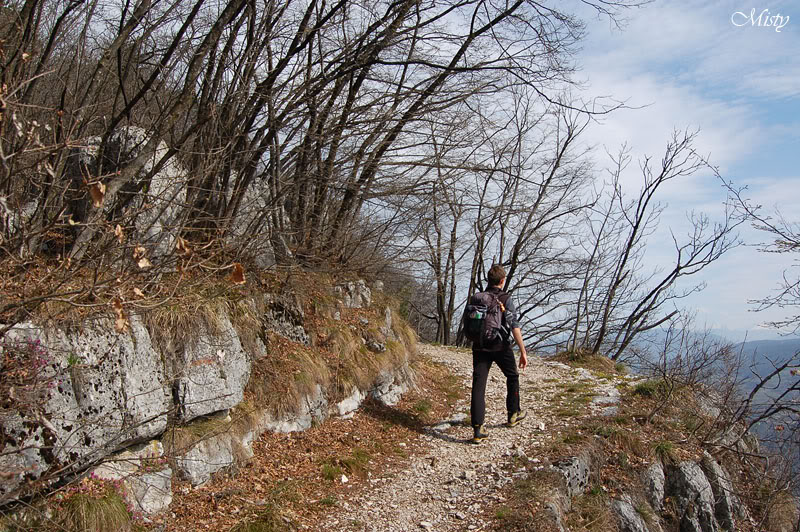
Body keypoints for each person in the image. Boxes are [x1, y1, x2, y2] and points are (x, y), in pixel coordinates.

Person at [468, 264, 528, 444]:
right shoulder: (505, 298)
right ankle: (513, 413)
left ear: (489, 280)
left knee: (479, 385)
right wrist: (523, 351)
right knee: (512, 376)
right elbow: (514, 325)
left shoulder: (476, 297)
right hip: (500, 346)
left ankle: (478, 429)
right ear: (502, 281)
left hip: (479, 346)